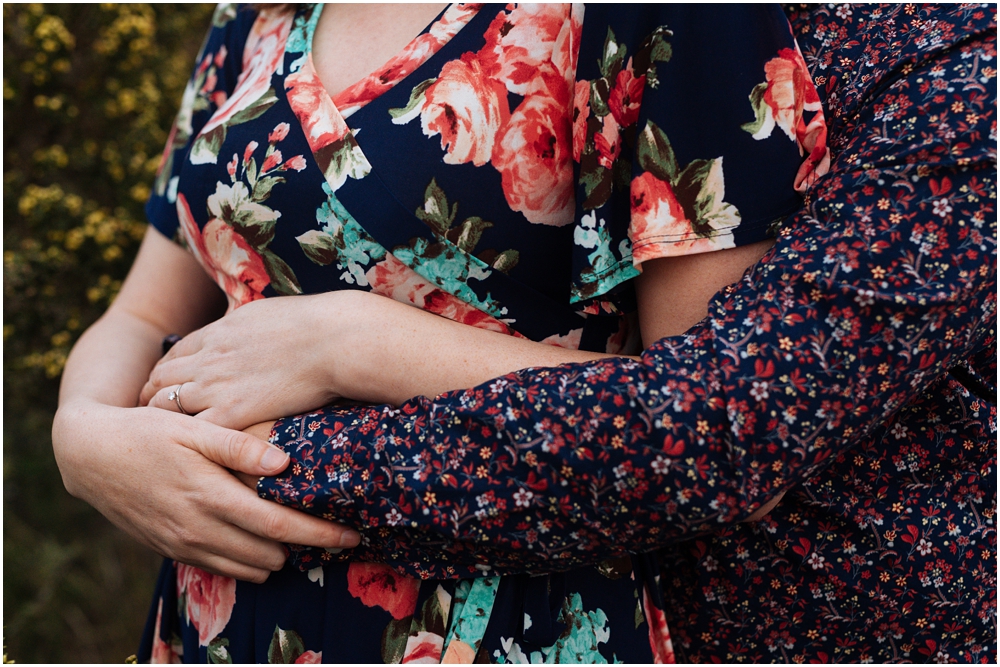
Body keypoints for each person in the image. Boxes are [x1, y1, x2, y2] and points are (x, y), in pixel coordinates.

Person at [51, 2, 996, 665]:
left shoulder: (666, 14)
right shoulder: (254, 17)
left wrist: (343, 344)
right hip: (220, 590)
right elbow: (143, 309)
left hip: (501, 606)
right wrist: (86, 432)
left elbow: (690, 411)